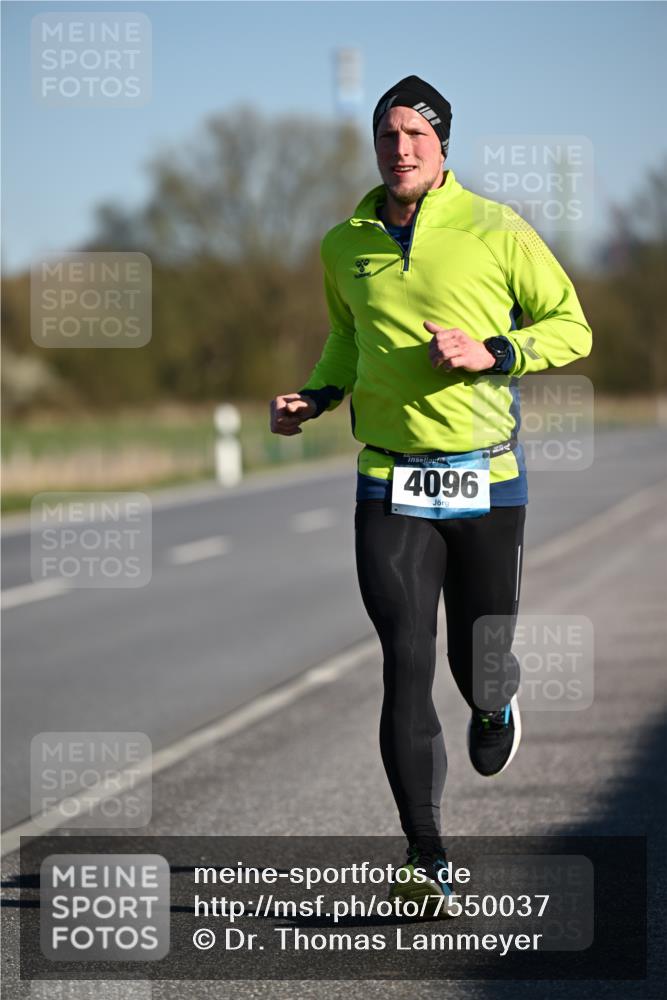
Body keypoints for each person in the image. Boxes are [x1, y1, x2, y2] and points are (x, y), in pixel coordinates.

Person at [269, 75, 592, 913]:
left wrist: (493, 351)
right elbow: (347, 339)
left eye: (415, 133)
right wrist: (316, 395)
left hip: (485, 472)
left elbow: (569, 325)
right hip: (388, 476)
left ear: (443, 143)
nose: (401, 147)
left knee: (475, 658)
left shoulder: (495, 227)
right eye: (387, 134)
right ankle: (426, 853)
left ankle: (494, 703)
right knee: (404, 660)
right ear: (374, 146)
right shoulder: (343, 243)